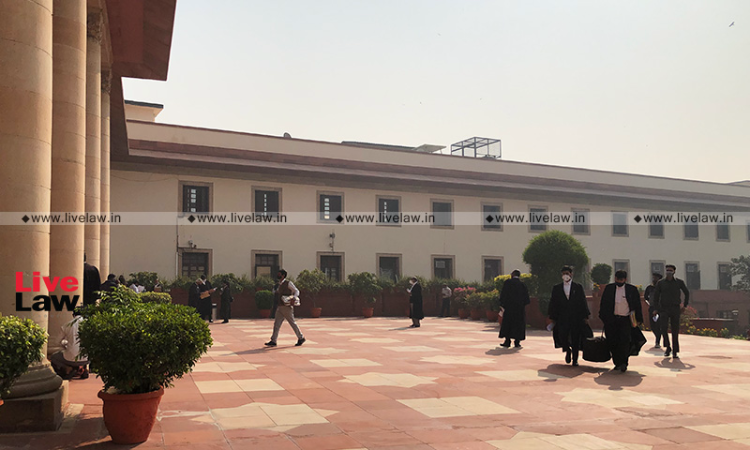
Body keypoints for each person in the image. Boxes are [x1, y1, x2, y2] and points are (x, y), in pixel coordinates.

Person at [599, 270, 643, 372]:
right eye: (617, 279)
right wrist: (603, 317)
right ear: (615, 278)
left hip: (626, 320)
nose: (619, 281)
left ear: (625, 279)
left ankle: (624, 362)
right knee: (612, 341)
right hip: (612, 319)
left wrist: (639, 319)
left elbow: (637, 305)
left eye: (621, 279)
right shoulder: (609, 289)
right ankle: (617, 362)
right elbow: (603, 304)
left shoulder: (631, 290)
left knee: (624, 342)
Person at [548, 266, 590, 366]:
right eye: (563, 274)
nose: (565, 275)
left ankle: (575, 359)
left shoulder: (577, 287)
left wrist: (585, 316)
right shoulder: (557, 288)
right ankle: (567, 349)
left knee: (576, 338)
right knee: (562, 335)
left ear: (571, 274)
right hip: (562, 317)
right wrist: (552, 316)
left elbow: (582, 301)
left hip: (576, 317)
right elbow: (553, 302)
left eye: (567, 273)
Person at [652, 264, 690, 359]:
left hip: (675, 308)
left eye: (670, 270)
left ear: (674, 272)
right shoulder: (661, 283)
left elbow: (686, 292)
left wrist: (685, 305)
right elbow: (656, 296)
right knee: (663, 328)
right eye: (667, 270)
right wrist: (656, 308)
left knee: (675, 330)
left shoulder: (679, 282)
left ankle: (675, 350)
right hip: (664, 308)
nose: (669, 272)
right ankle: (668, 347)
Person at [265, 269, 305, 346]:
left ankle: (301, 337)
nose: (278, 275)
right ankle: (273, 340)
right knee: (276, 324)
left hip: (287, 307)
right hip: (280, 306)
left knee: (292, 323)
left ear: (283, 275)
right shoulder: (278, 285)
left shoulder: (288, 283)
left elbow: (296, 291)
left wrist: (294, 298)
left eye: (279, 274)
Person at [49, 310, 89, 380]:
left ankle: (69, 369)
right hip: (87, 359)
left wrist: (66, 343)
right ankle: (84, 369)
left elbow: (57, 342)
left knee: (54, 357)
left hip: (70, 357)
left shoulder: (67, 325)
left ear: (73, 315)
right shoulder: (88, 324)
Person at [498, 270, 530, 348]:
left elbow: (503, 295)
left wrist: (502, 304)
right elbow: (527, 299)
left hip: (509, 308)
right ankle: (517, 342)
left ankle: (507, 341)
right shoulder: (522, 285)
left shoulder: (508, 283)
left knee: (508, 324)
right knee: (518, 325)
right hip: (519, 309)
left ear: (512, 274)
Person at [643, 272, 663, 348]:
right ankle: (657, 336)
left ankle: (657, 341)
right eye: (653, 278)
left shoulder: (662, 288)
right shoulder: (650, 288)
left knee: (658, 325)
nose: (654, 279)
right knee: (652, 325)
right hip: (651, 308)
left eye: (656, 278)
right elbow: (645, 297)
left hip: (660, 309)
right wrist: (650, 302)